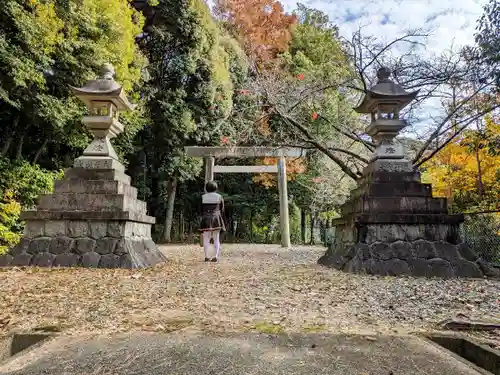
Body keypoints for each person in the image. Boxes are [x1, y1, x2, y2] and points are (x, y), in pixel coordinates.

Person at [200, 181, 225, 262]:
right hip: (216, 218)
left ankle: (206, 257)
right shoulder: (219, 197)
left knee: (206, 238)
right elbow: (222, 209)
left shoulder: (203, 197)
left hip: (206, 218)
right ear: (216, 188)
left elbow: (200, 209)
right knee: (216, 238)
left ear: (206, 188)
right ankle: (215, 256)